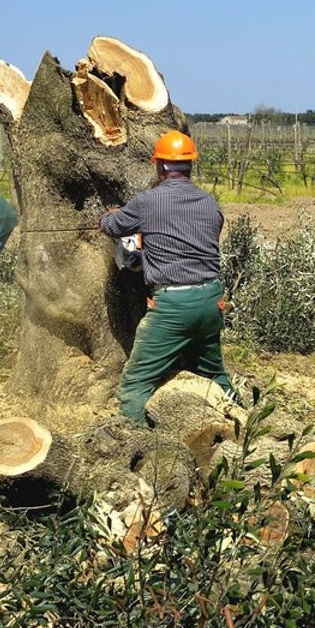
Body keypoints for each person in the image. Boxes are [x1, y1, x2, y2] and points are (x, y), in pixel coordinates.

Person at [99, 130, 236, 424]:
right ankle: (240, 424)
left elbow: (112, 227)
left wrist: (109, 215)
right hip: (212, 300)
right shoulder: (210, 203)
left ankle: (137, 443)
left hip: (173, 305)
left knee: (136, 383)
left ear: (159, 166)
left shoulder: (148, 202)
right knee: (213, 374)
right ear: (190, 166)